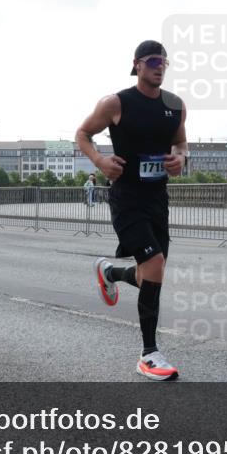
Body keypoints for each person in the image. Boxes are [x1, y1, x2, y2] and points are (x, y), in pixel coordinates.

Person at [76, 40, 188, 381]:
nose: (159, 66)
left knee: (149, 274)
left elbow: (181, 143)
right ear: (137, 64)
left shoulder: (175, 105)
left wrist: (180, 158)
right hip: (126, 198)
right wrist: (99, 160)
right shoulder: (116, 102)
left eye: (164, 62)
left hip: (158, 199)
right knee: (154, 264)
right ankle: (149, 354)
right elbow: (82, 133)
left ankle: (110, 273)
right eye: (153, 60)